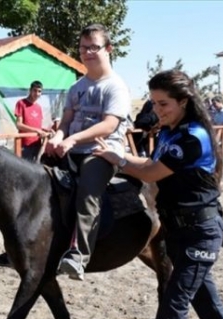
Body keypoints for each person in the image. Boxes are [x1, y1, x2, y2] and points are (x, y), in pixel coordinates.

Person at [93, 69, 223, 319]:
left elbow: (150, 172)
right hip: (177, 230)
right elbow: (148, 163)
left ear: (184, 101)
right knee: (203, 296)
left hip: (199, 232)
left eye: (164, 104)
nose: (157, 110)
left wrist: (119, 161)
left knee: (175, 303)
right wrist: (117, 156)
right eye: (153, 103)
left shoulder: (193, 137)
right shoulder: (169, 133)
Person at [43, 23, 131, 281]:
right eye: (83, 47)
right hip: (73, 146)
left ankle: (78, 256)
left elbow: (109, 124)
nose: (87, 52)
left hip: (102, 150)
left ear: (108, 49)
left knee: (87, 193)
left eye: (94, 47)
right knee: (33, 177)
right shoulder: (76, 87)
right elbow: (66, 120)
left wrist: (72, 140)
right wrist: (58, 137)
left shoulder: (115, 86)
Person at [0, 81, 50, 268]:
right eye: (35, 90)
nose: (37, 94)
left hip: (38, 146)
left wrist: (44, 131)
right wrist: (37, 131)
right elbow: (20, 125)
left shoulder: (39, 108)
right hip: (25, 147)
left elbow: (38, 126)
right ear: (30, 90)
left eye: (40, 91)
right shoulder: (21, 104)